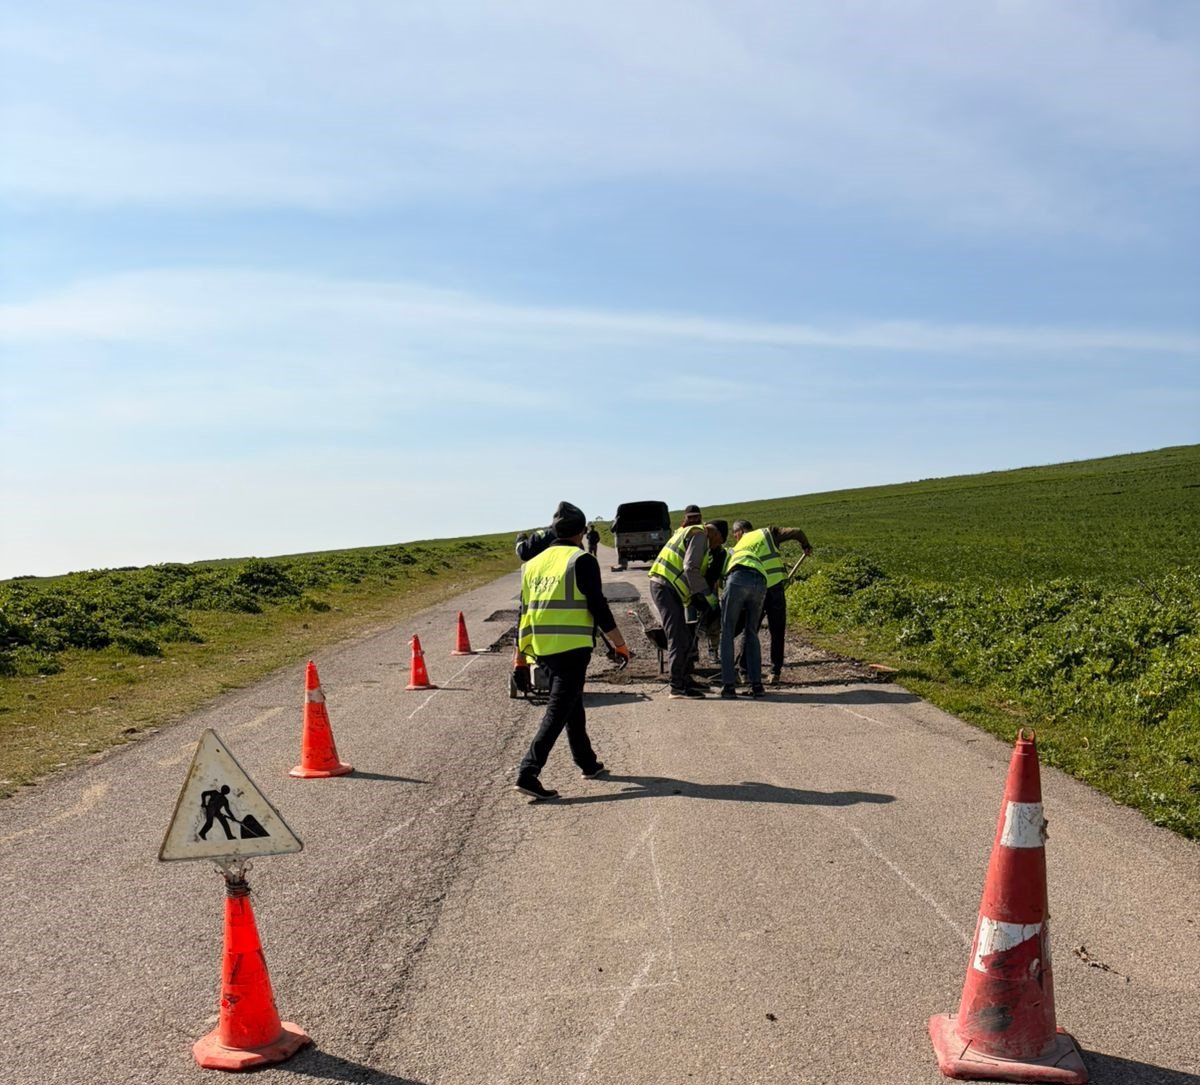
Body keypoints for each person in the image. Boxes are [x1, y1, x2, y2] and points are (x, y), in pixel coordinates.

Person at [515, 501, 630, 800]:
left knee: (571, 704)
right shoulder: (581, 560)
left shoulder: (532, 565)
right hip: (572, 647)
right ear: (581, 533)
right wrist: (619, 643)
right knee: (558, 709)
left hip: (542, 647)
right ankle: (529, 771)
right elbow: (598, 607)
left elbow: (523, 614)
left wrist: (520, 659)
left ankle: (587, 762)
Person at [647, 506, 721, 699]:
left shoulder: (685, 531)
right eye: (719, 541)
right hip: (665, 588)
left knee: (686, 636)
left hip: (665, 587)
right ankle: (677, 687)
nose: (717, 546)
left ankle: (685, 679)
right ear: (715, 534)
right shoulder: (699, 534)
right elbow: (690, 568)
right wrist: (706, 595)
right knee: (678, 637)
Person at [732, 522, 814, 685]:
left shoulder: (737, 548)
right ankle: (775, 672)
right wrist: (805, 545)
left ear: (739, 531)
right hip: (774, 588)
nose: (735, 538)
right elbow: (797, 530)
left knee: (750, 630)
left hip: (753, 592)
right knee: (777, 630)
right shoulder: (767, 534)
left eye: (734, 534)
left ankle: (745, 672)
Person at [718, 519, 771, 699]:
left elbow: (718, 580)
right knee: (751, 633)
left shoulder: (729, 551)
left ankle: (729, 686)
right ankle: (757, 685)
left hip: (738, 578)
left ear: (739, 533)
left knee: (726, 632)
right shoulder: (752, 550)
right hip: (761, 581)